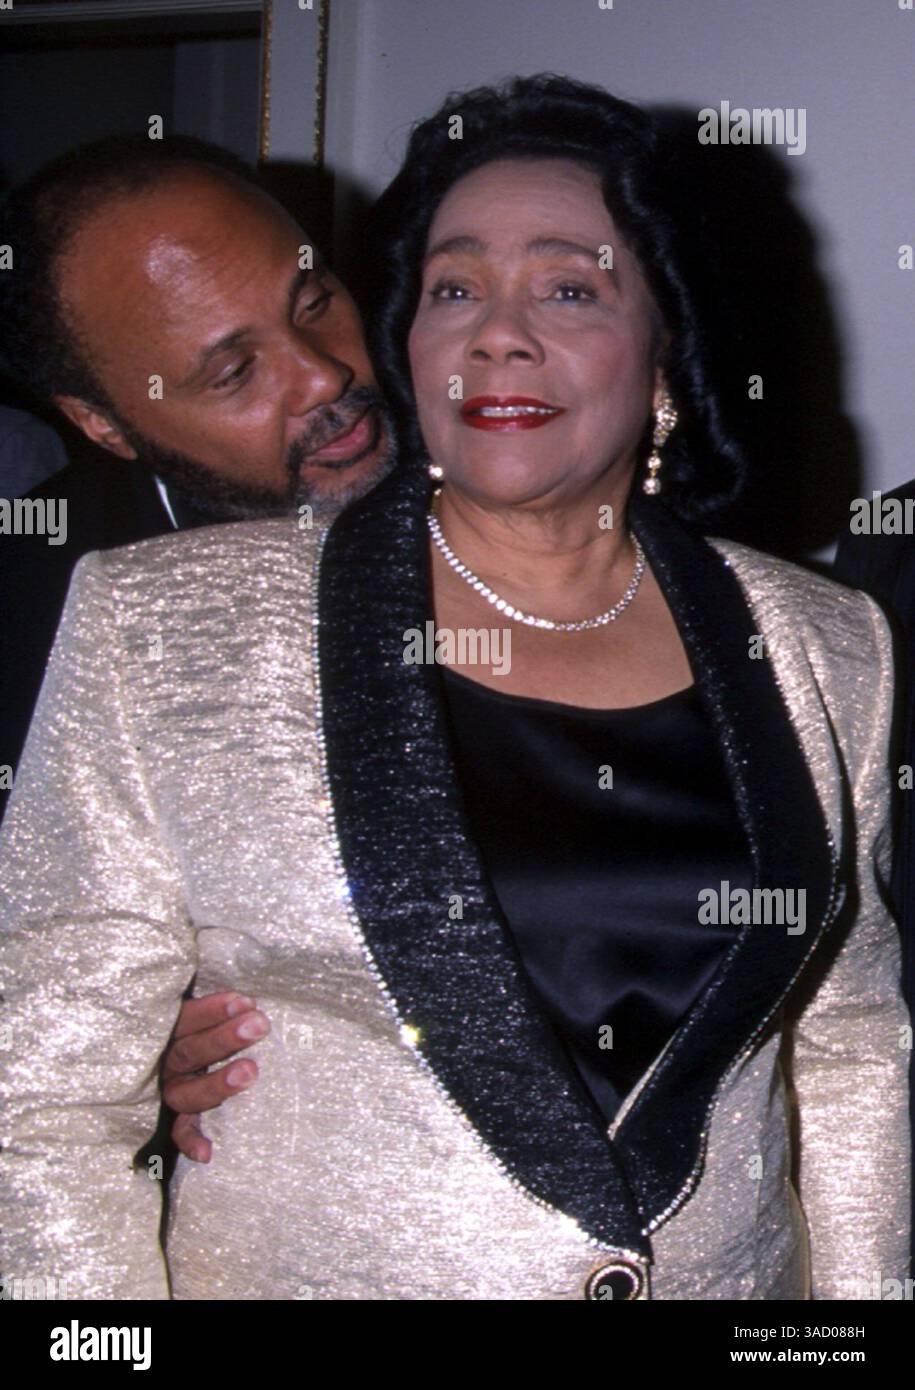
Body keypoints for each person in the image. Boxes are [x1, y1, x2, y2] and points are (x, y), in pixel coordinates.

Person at [0, 75, 908, 1301]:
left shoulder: (821, 638)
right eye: (456, 287)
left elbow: (848, 1044)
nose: (325, 378)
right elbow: (42, 1100)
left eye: (572, 287)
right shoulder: (129, 619)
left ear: (666, 352)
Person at [0, 135, 395, 823]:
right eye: (235, 372)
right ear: (104, 425)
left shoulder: (497, 462)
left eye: (313, 302)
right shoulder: (39, 621)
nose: (322, 375)